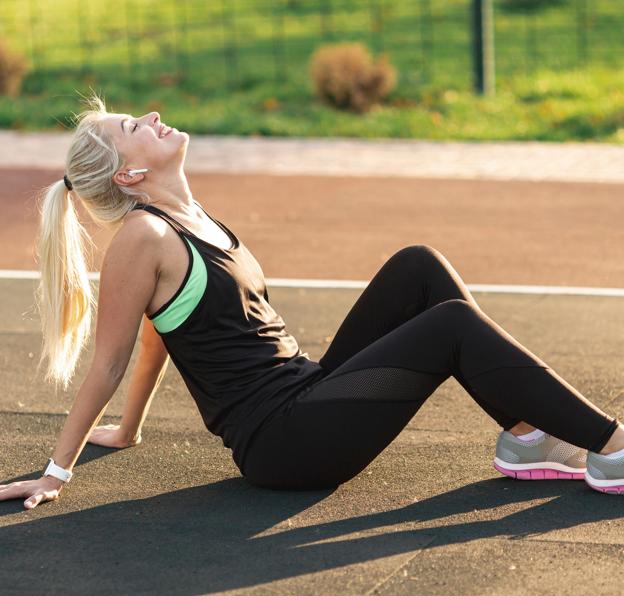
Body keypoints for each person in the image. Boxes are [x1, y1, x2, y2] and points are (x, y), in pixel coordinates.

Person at [2, 96, 624, 512]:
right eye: (133, 127)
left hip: (306, 392)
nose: (153, 115)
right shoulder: (143, 236)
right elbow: (110, 359)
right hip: (284, 442)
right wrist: (59, 471)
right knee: (452, 326)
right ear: (128, 176)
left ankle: (524, 436)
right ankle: (611, 444)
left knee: (418, 266)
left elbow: (162, 333)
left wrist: (131, 430)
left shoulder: (188, 218)